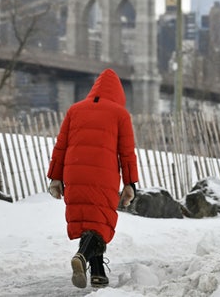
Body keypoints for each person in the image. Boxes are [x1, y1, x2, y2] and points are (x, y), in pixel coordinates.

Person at [47, 68, 138, 289]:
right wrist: (130, 183)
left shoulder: (75, 110)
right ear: (118, 94)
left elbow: (61, 146)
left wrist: (55, 177)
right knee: (100, 223)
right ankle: (81, 256)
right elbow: (126, 153)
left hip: (74, 171)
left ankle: (98, 274)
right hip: (102, 174)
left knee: (89, 220)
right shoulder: (120, 114)